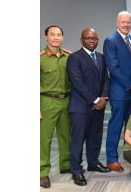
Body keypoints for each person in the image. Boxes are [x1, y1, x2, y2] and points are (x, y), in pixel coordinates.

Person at [67, 28, 111, 186]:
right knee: (78, 139)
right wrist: (95, 99)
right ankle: (76, 170)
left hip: (98, 106)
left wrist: (103, 98)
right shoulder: (74, 58)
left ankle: (93, 162)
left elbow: (106, 79)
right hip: (80, 107)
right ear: (81, 40)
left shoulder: (101, 57)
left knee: (95, 136)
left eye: (94, 38)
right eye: (88, 38)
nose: (91, 41)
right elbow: (77, 82)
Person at [103, 11, 131, 172]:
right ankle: (111, 159)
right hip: (120, 92)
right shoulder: (111, 41)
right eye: (123, 22)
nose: (126, 24)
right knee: (116, 126)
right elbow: (113, 68)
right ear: (117, 22)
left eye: (129, 22)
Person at [40, 25, 71, 188]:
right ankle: (42, 172)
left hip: (66, 100)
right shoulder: (39, 58)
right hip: (47, 101)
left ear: (63, 37)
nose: (56, 37)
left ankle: (65, 165)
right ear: (46, 37)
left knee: (65, 135)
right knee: (44, 139)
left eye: (59, 34)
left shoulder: (68, 57)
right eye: (52, 35)